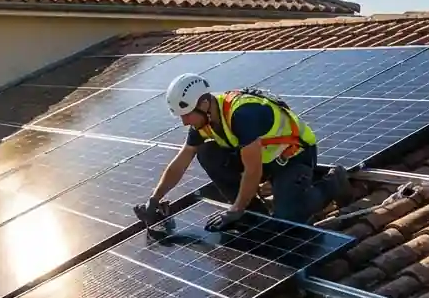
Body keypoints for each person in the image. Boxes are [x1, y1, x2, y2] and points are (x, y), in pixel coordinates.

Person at [147, 73, 349, 230]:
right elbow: (182, 161)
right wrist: (155, 198)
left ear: (204, 103)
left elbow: (253, 170)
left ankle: (333, 182)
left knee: (287, 220)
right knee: (207, 152)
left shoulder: (242, 114)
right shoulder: (204, 120)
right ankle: (252, 210)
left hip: (293, 158)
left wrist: (235, 209)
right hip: (265, 160)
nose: (184, 122)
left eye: (186, 115)